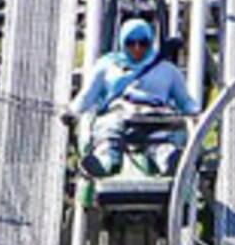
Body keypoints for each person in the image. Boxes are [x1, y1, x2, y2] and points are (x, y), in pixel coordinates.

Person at [62, 18, 199, 177]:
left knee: (161, 142)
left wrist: (195, 113)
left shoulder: (168, 70)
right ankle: (106, 163)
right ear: (123, 43)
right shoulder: (107, 67)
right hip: (119, 113)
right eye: (131, 43)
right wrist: (72, 111)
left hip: (155, 116)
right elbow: (87, 96)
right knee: (108, 132)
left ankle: (169, 161)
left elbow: (185, 101)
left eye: (143, 43)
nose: (137, 48)